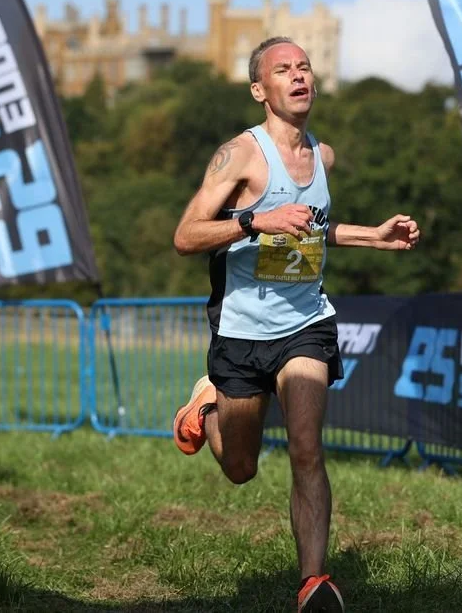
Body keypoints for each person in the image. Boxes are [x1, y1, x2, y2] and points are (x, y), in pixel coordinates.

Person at [171, 36, 420, 613]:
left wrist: (372, 236)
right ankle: (204, 407)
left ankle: (313, 583)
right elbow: (186, 236)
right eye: (283, 70)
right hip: (240, 331)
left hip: (305, 324)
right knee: (240, 469)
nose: (298, 75)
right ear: (261, 90)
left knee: (307, 448)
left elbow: (315, 227)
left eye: (304, 66)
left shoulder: (323, 156)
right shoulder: (239, 156)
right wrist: (256, 221)